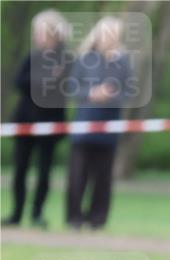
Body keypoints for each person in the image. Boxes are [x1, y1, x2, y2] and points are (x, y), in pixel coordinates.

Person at [2, 10, 71, 229]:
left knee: (44, 170)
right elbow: (20, 82)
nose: (36, 36)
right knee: (20, 169)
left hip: (50, 122)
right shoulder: (32, 57)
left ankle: (37, 213)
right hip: (26, 120)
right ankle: (16, 213)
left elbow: (63, 88)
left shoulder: (65, 59)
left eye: (40, 31)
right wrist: (44, 80)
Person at [65, 16, 132, 230]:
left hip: (109, 127)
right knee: (78, 175)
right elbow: (72, 88)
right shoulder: (84, 59)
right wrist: (92, 94)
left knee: (103, 178)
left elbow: (129, 91)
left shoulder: (122, 61)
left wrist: (110, 95)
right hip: (84, 126)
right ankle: (74, 218)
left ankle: (97, 219)